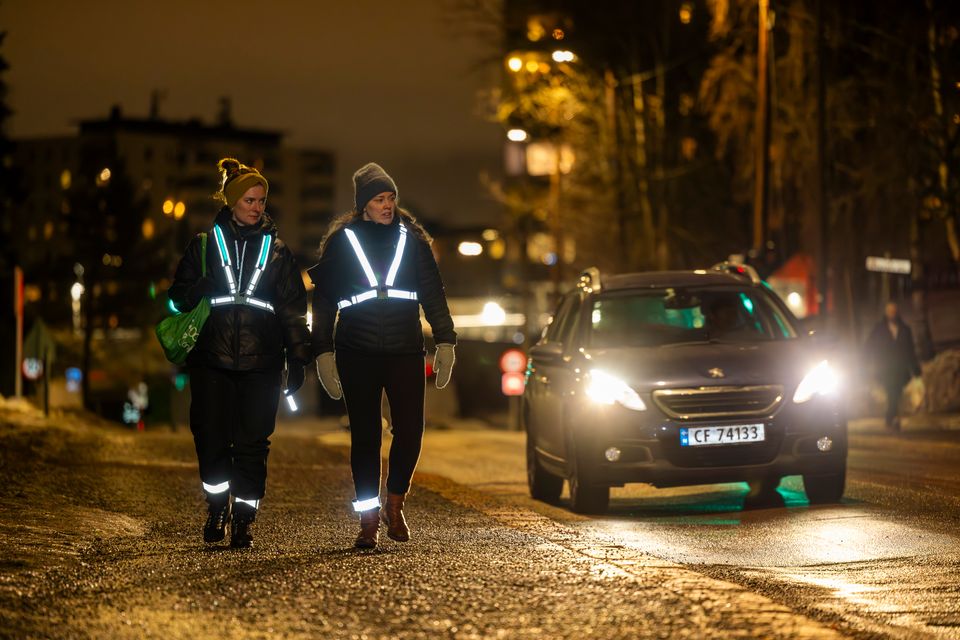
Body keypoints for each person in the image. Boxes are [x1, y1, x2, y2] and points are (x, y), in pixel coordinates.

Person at [309, 163, 456, 549]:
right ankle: (368, 521)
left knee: (410, 430)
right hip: (356, 351)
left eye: (391, 198)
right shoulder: (342, 241)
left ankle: (395, 502)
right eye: (379, 199)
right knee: (365, 437)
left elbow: (433, 294)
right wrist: (322, 351)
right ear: (363, 205)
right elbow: (322, 301)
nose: (387, 205)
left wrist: (446, 341)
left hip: (405, 348)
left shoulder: (414, 241)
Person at [167, 158, 310, 548]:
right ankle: (217, 507)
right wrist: (199, 287)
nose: (257, 207)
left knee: (253, 442)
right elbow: (176, 301)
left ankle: (244, 519)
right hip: (210, 360)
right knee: (211, 438)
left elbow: (294, 310)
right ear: (232, 201)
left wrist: (298, 357)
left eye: (262, 200)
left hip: (261, 363)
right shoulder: (202, 246)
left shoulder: (279, 252)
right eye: (249, 199)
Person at [866, 301, 921, 430]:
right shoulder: (879, 330)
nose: (892, 314)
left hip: (900, 369)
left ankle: (892, 418)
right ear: (886, 313)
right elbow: (869, 347)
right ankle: (892, 418)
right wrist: (869, 363)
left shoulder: (905, 330)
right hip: (885, 369)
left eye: (894, 311)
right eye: (890, 311)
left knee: (897, 393)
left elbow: (910, 351)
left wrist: (916, 370)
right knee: (892, 392)